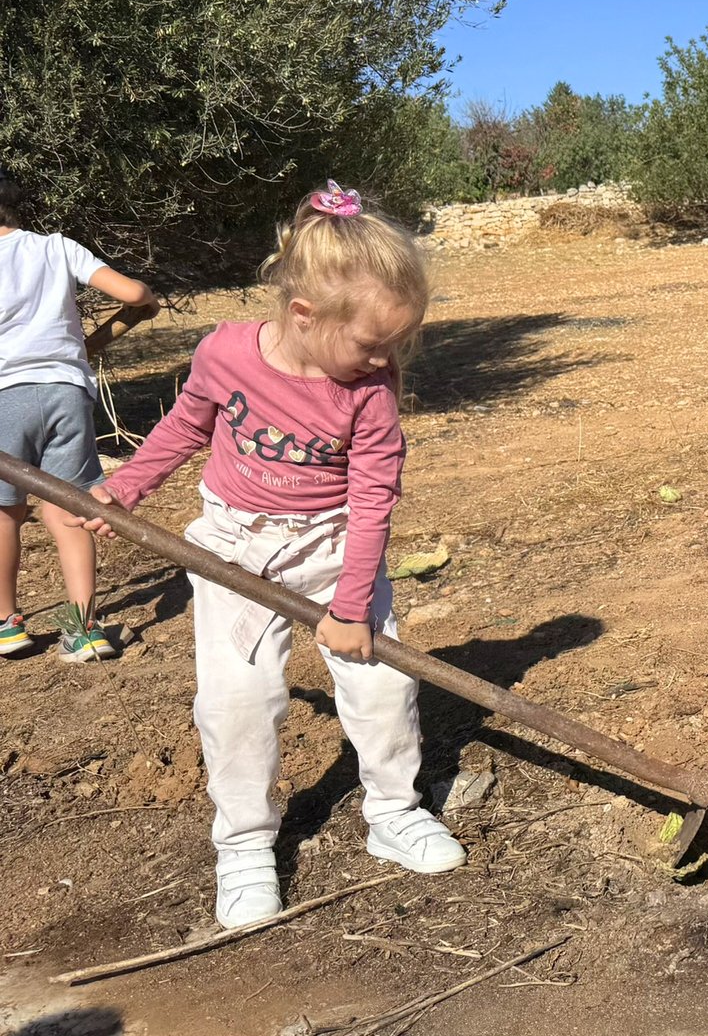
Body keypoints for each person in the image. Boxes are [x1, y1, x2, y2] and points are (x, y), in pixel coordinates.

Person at [77, 182, 465, 928]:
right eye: (373, 344)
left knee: (382, 689)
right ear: (303, 315)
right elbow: (187, 427)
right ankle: (246, 845)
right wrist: (127, 486)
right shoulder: (225, 352)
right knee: (239, 701)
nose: (386, 359)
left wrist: (352, 605)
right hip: (235, 548)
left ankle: (393, 811)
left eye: (396, 344)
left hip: (334, 546)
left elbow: (375, 496)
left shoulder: (368, 390)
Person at [0, 168, 156, 661]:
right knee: (70, 507)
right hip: (66, 390)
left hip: (4, 395)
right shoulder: (55, 246)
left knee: (4, 511)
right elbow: (131, 295)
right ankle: (82, 628)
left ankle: (7, 624)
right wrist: (147, 297)